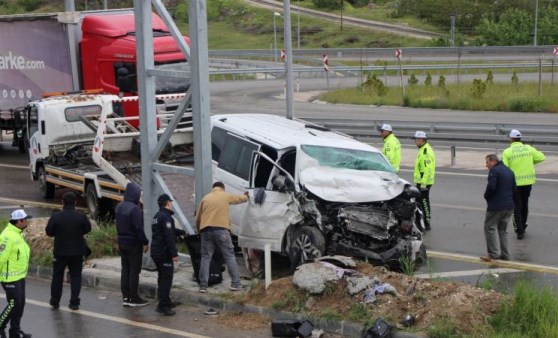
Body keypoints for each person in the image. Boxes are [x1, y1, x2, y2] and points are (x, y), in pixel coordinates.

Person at [195, 182, 248, 293]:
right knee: (229, 256)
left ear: (213, 188)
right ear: (222, 188)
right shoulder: (224, 195)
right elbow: (238, 199)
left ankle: (203, 285)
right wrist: (246, 196)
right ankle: (235, 283)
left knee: (205, 257)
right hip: (221, 230)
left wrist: (199, 231)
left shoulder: (205, 198)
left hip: (206, 230)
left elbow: (197, 217)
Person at [45, 192, 92, 311]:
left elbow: (49, 232)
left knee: (57, 276)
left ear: (62, 202)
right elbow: (88, 229)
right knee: (76, 276)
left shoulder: (56, 216)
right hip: (77, 252)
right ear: (75, 203)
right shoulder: (81, 216)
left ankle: (55, 301)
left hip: (60, 252)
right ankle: (74, 302)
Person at [502, 129, 545, 240]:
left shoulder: (507, 152)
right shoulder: (529, 148)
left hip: (515, 183)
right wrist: (531, 162)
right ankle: (523, 226)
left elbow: (505, 168)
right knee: (525, 204)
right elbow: (541, 157)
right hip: (528, 182)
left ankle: (519, 231)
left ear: (511, 139)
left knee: (516, 206)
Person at [151, 193, 186, 316]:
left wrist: (181, 232)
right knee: (166, 279)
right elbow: (168, 236)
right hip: (163, 252)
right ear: (168, 203)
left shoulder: (157, 216)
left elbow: (167, 231)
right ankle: (163, 306)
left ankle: (165, 301)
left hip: (155, 251)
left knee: (162, 277)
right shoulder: (166, 217)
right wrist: (174, 254)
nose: (171, 204)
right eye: (170, 202)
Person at [115, 182, 149, 307]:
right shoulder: (134, 209)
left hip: (122, 242)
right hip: (133, 244)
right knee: (134, 271)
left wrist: (118, 240)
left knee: (125, 270)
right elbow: (138, 229)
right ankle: (134, 298)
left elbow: (117, 226)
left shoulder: (119, 206)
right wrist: (145, 242)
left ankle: (126, 297)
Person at [0, 209, 32, 338]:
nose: (27, 222)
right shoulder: (7, 236)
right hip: (10, 278)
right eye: (25, 220)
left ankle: (14, 331)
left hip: (19, 276)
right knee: (14, 304)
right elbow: (1, 257)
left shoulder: (17, 233)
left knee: (20, 304)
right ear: (19, 221)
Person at [480, 154, 515, 262]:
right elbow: (514, 188)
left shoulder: (494, 171)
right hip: (509, 205)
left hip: (497, 205)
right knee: (502, 230)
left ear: (493, 161)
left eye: (487, 162)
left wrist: (486, 196)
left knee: (489, 228)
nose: (486, 165)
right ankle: (505, 254)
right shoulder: (509, 171)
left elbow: (491, 187)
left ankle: (492, 254)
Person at [413, 131, 436, 231]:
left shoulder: (426, 151)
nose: (415, 141)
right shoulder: (422, 149)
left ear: (421, 140)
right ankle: (420, 222)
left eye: (416, 139)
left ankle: (426, 223)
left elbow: (428, 169)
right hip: (421, 181)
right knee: (419, 202)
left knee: (424, 202)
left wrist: (423, 184)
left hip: (424, 183)